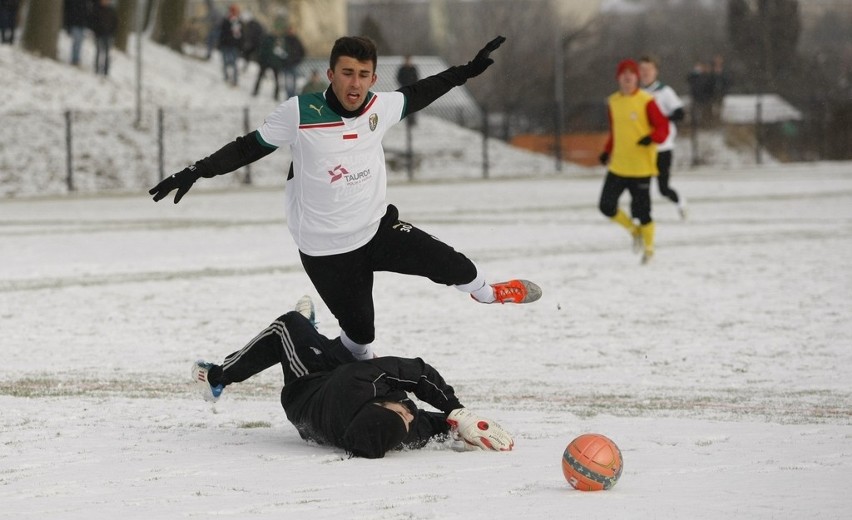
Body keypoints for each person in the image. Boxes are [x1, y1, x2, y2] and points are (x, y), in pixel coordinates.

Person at [149, 35, 541, 360]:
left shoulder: (379, 107)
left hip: (376, 228)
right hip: (325, 249)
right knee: (361, 340)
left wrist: (466, 72)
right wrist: (197, 170)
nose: (355, 84)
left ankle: (490, 294)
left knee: (458, 266)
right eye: (348, 74)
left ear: (373, 77)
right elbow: (248, 147)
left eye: (364, 75)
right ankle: (320, 354)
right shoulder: (300, 112)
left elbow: (422, 91)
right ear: (331, 74)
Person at [191, 296, 514, 459]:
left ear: (375, 404)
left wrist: (456, 408)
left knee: (286, 326)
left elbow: (417, 372)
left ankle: (217, 377)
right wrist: (458, 422)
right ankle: (315, 340)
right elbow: (431, 424)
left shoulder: (360, 384)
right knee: (354, 344)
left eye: (400, 410)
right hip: (330, 405)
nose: (410, 410)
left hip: (308, 387)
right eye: (407, 414)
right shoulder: (398, 432)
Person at [598, 59, 669, 265]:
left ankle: (649, 250)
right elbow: (615, 132)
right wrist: (607, 151)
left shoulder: (647, 100)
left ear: (637, 77)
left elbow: (662, 127)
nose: (627, 77)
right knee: (606, 206)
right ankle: (634, 231)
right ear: (618, 78)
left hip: (641, 167)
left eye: (631, 73)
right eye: (623, 74)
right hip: (619, 166)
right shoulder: (613, 102)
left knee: (642, 212)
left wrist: (652, 137)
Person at [639, 55, 687, 220]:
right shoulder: (636, 93)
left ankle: (680, 201)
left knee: (663, 188)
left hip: (662, 145)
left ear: (656, 71)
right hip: (643, 146)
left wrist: (661, 121)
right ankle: (644, 217)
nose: (645, 73)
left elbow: (680, 113)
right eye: (642, 69)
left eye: (649, 69)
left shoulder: (664, 91)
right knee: (640, 185)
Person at [252, 22, 285, 100]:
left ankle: (276, 94)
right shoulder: (267, 39)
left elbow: (283, 52)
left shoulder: (280, 40)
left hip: (275, 63)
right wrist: (261, 60)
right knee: (260, 77)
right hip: (266, 62)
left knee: (277, 80)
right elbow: (262, 50)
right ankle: (256, 91)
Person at [218, 3, 243, 86]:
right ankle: (226, 77)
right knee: (225, 62)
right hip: (225, 45)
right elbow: (222, 33)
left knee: (234, 63)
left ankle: (235, 80)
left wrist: (239, 45)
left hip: (233, 46)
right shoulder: (226, 21)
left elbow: (239, 35)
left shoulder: (237, 22)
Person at [91, 0, 117, 76]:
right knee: (98, 52)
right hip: (99, 34)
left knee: (107, 54)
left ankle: (106, 71)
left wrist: (112, 32)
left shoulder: (112, 10)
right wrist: (96, 31)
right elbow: (93, 22)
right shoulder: (96, 9)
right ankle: (96, 69)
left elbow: (115, 22)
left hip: (108, 35)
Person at [280, 26, 306, 99]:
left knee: (294, 81)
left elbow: (302, 51)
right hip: (286, 64)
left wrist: (298, 60)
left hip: (294, 64)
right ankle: (288, 96)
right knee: (287, 82)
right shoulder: (284, 40)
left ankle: (293, 95)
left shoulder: (297, 40)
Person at [63, 0, 90, 66]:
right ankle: (75, 59)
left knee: (79, 41)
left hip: (82, 24)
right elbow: (68, 11)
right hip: (74, 23)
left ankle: (76, 58)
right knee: (77, 41)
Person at [396, 55, 420, 125]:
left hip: (412, 90)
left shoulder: (413, 69)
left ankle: (412, 120)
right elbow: (398, 78)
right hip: (404, 89)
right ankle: (406, 119)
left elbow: (416, 78)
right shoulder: (401, 69)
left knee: (413, 104)